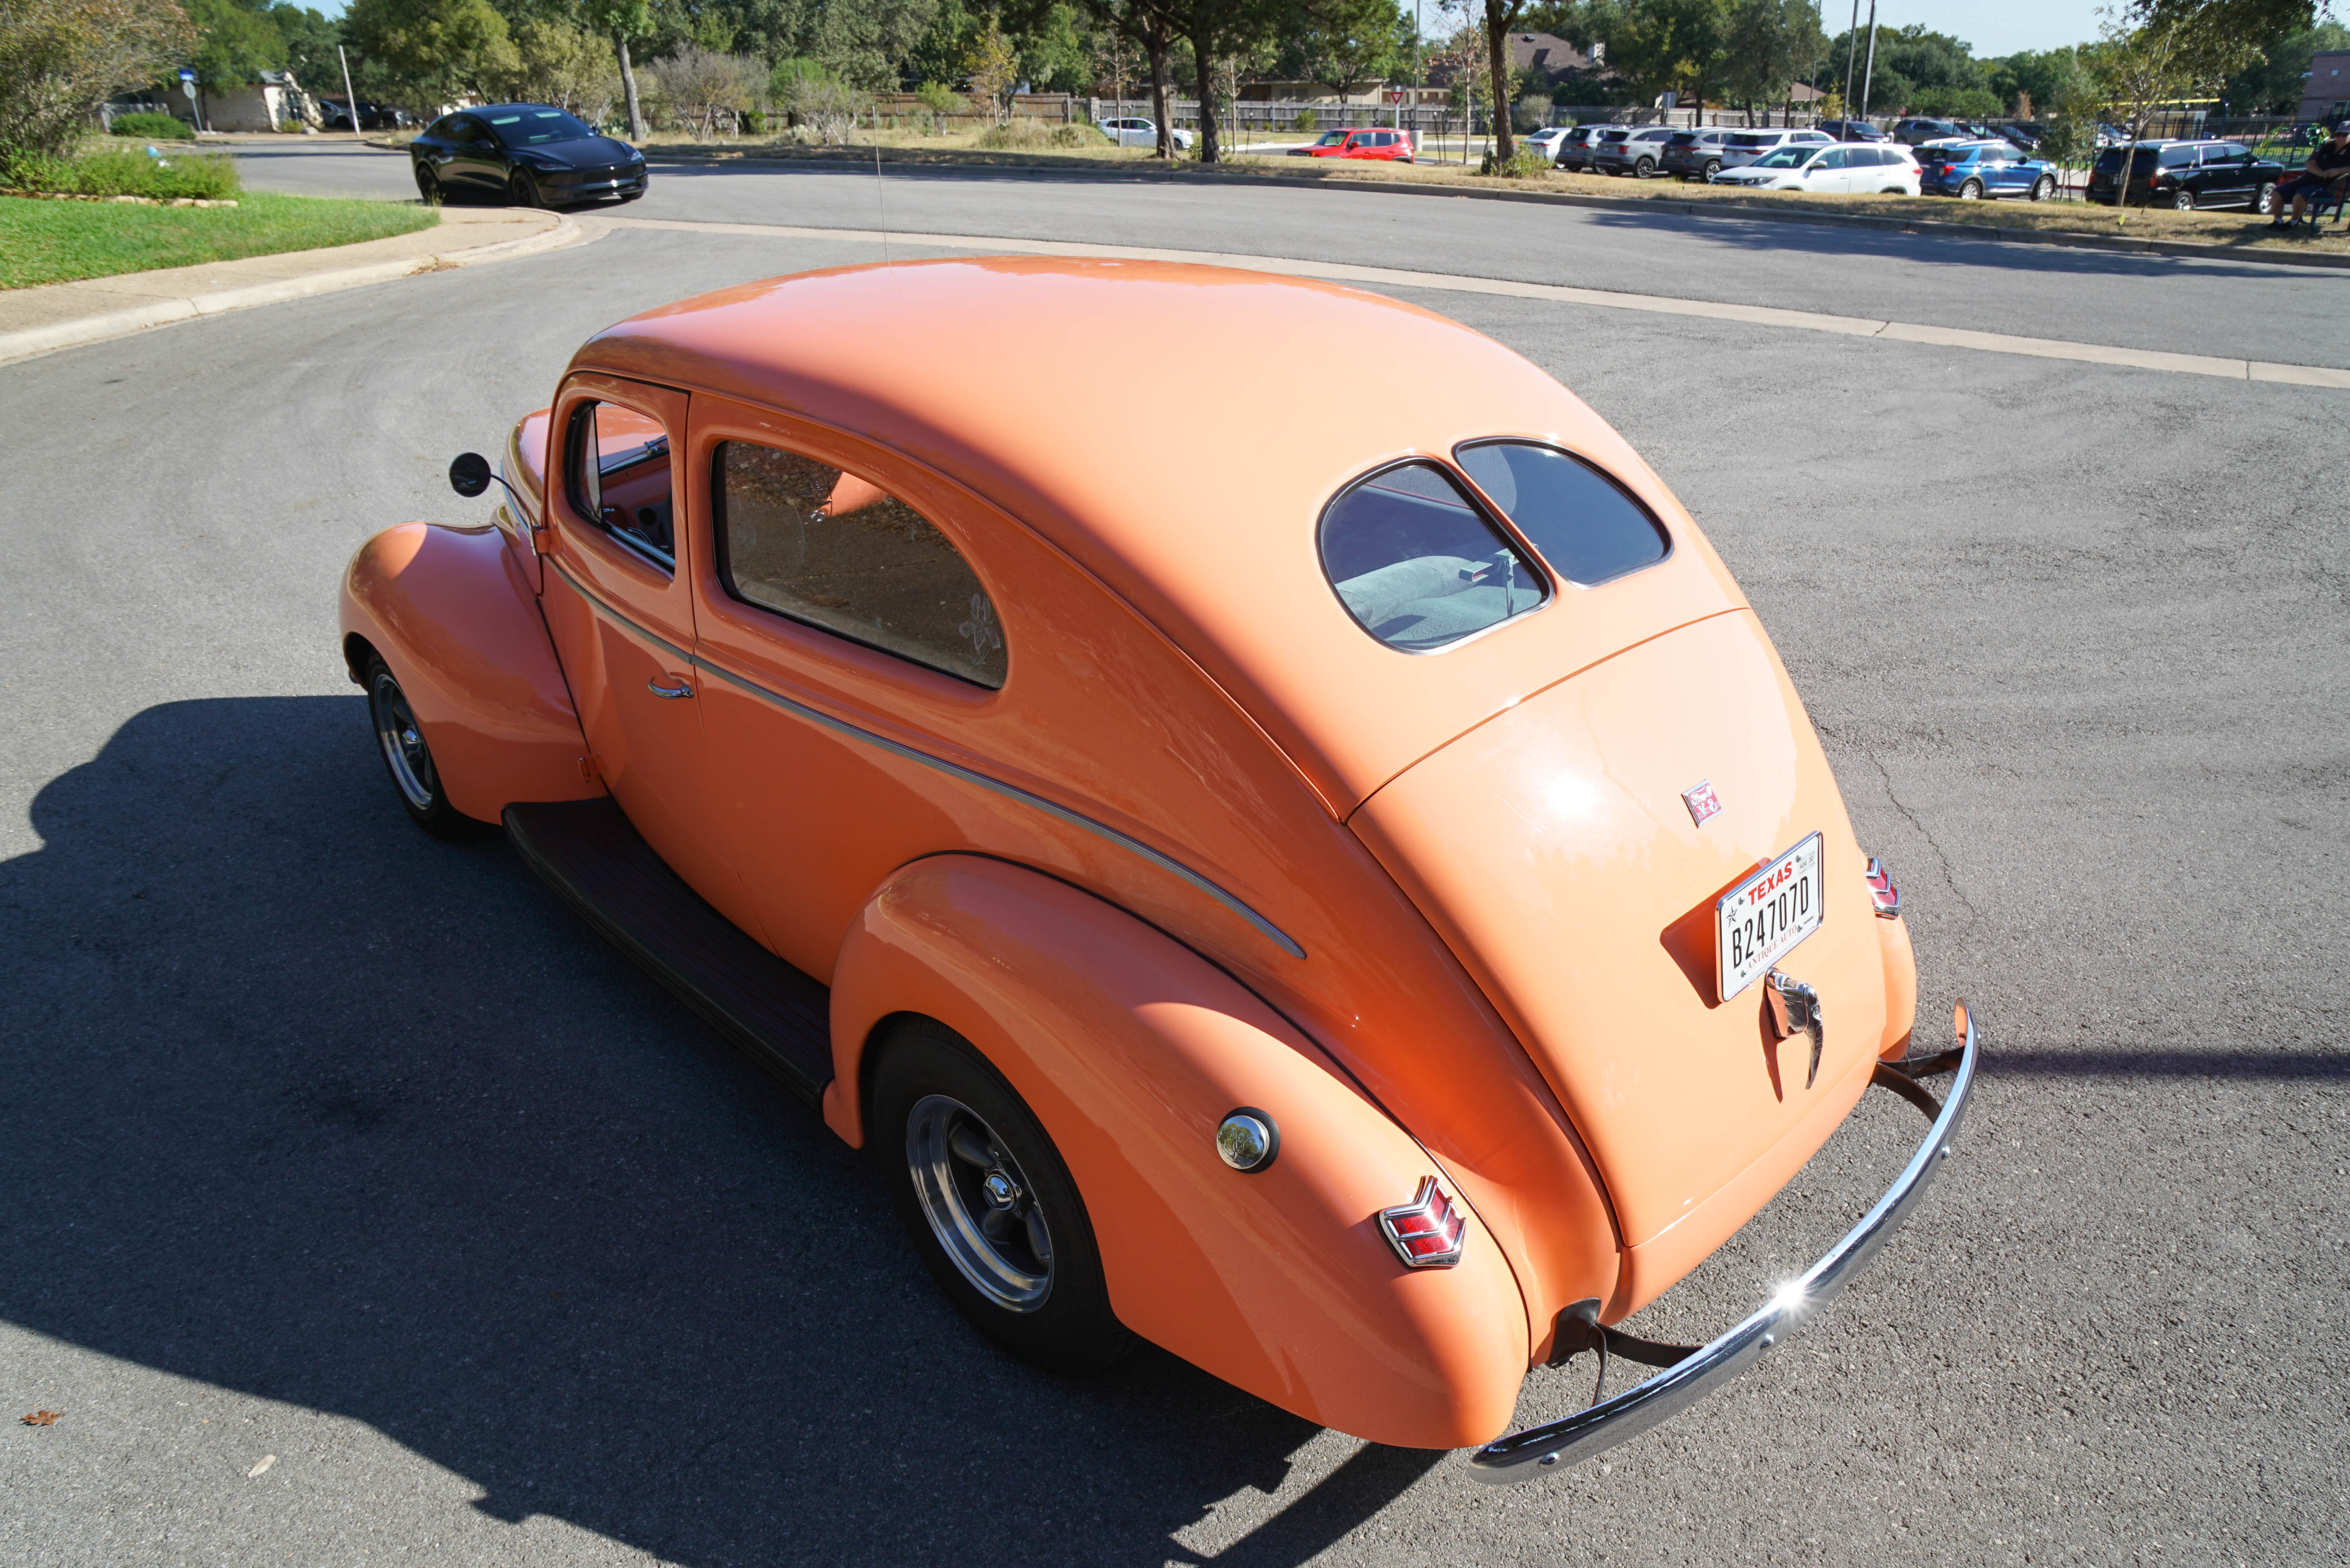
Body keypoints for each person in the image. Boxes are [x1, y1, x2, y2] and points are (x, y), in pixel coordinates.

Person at [2273, 124, 2350, 226]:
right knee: (2276, 193)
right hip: (2306, 180)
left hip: (2326, 187)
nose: (2340, 138)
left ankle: (2293, 223)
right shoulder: (2326, 146)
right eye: (2338, 135)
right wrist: (2321, 173)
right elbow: (2310, 164)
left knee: (2300, 196)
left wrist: (2338, 171)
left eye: (2345, 135)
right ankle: (2278, 222)